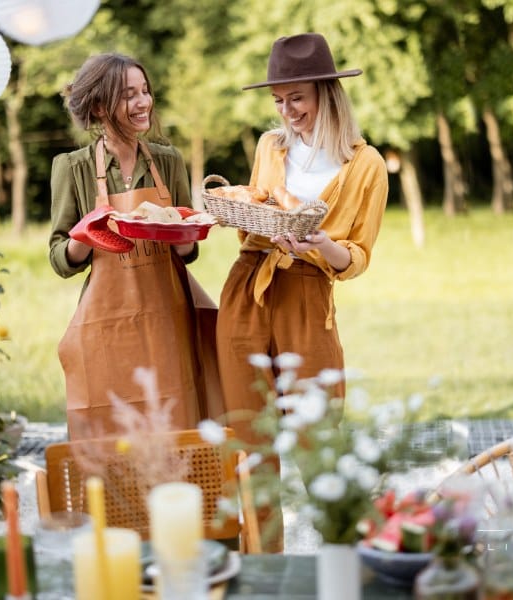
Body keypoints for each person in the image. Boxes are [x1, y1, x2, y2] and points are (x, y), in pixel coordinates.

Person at [216, 33, 389, 550]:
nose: (287, 111)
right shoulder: (271, 147)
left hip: (309, 297)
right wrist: (250, 220)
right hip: (249, 289)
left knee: (319, 438)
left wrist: (322, 244)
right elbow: (256, 211)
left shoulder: (366, 165)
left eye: (297, 99)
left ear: (326, 95)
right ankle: (263, 562)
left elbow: (356, 255)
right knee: (249, 440)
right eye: (278, 101)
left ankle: (343, 552)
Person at [49, 53, 217, 440]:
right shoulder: (72, 168)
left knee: (178, 425)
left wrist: (185, 238)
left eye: (145, 92)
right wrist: (85, 237)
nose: (143, 102)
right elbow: (59, 257)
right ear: (99, 106)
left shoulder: (168, 160)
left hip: (170, 320)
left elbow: (188, 251)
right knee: (115, 434)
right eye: (129, 95)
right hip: (107, 326)